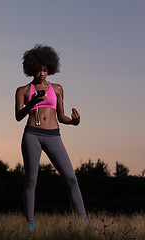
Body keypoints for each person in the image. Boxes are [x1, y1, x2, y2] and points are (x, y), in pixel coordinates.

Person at [15, 44, 92, 232]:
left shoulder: (57, 89)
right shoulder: (23, 90)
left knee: (71, 178)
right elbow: (18, 116)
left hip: (53, 136)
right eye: (39, 70)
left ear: (50, 69)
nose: (42, 73)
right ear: (31, 68)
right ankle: (30, 224)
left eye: (45, 70)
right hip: (31, 135)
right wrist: (31, 103)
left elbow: (62, 117)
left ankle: (84, 220)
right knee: (31, 181)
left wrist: (74, 122)